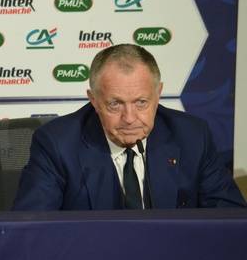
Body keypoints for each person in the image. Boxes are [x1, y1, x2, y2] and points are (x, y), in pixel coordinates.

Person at [13, 43, 246, 210]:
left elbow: (228, 219)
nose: (130, 118)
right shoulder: (57, 144)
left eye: (141, 102)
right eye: (115, 104)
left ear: (158, 94)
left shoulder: (192, 136)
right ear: (93, 100)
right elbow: (33, 229)